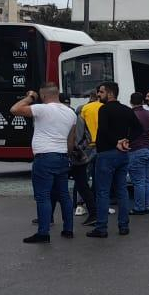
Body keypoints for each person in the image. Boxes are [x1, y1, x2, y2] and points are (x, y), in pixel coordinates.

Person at [11, 83, 76, 244]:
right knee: (64, 195)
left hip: (45, 157)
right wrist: (66, 156)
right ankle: (68, 230)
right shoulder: (71, 113)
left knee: (43, 196)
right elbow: (71, 140)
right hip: (62, 157)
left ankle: (43, 233)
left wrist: (30, 97)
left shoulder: (42, 108)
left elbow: (15, 109)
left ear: (44, 96)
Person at [87, 82, 142, 238]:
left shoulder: (104, 109)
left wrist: (116, 142)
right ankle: (124, 226)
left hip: (106, 154)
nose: (98, 95)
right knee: (122, 191)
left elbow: (103, 130)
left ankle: (101, 227)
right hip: (123, 155)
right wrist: (127, 140)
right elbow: (139, 129)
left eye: (101, 92)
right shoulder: (126, 110)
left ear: (110, 93)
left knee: (103, 192)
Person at [62, 93, 98, 227]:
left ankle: (54, 219)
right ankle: (93, 213)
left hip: (72, 156)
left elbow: (75, 139)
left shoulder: (75, 115)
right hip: (81, 155)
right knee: (83, 185)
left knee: (59, 186)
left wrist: (71, 152)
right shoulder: (77, 114)